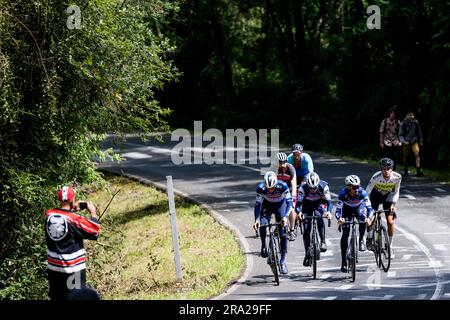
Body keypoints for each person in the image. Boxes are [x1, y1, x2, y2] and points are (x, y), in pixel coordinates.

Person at [45, 186, 100, 300]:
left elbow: (61, 215)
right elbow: (94, 231)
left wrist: (70, 209)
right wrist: (93, 213)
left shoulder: (49, 216)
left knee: (57, 298)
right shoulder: (74, 219)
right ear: (72, 199)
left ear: (59, 199)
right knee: (76, 297)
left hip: (54, 270)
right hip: (73, 271)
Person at [253, 171, 292, 275]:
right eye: (268, 188)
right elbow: (257, 205)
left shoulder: (283, 186)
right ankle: (264, 245)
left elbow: (289, 202)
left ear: (275, 184)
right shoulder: (261, 188)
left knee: (283, 233)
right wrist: (256, 219)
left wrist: (285, 217)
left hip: (280, 206)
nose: (270, 189)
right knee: (263, 223)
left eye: (272, 188)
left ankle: (282, 261)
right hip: (267, 206)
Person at [335, 175, 373, 272]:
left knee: (363, 219)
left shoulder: (362, 192)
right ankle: (343, 261)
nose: (357, 189)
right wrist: (340, 218)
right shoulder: (343, 194)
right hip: (346, 210)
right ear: (348, 187)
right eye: (354, 187)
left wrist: (369, 218)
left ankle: (361, 239)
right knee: (345, 234)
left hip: (358, 208)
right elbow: (338, 210)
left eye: (358, 186)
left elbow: (369, 208)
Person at [365, 158, 401, 258]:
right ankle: (369, 236)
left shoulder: (397, 177)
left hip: (388, 196)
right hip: (375, 196)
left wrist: (393, 204)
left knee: (390, 221)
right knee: (372, 219)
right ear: (381, 169)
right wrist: (367, 207)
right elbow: (367, 191)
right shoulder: (376, 177)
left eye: (388, 168)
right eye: (384, 169)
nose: (386, 171)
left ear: (392, 168)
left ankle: (389, 247)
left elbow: (397, 191)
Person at [295, 172, 333, 267]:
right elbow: (298, 204)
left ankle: (323, 241)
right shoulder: (302, 188)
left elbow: (329, 202)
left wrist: (328, 212)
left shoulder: (323, 186)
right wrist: (299, 213)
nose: (312, 190)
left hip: (319, 204)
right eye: (310, 188)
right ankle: (307, 253)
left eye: (314, 188)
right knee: (306, 229)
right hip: (306, 205)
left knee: (319, 217)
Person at [275, 152, 298, 241]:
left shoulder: (290, 169)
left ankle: (291, 230)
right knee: (276, 207)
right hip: (279, 191)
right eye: (280, 163)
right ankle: (278, 226)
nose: (283, 165)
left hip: (289, 190)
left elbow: (294, 185)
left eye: (284, 162)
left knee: (291, 209)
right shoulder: (274, 170)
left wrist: (293, 198)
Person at [399, 110, 424, 177]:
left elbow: (419, 132)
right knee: (405, 156)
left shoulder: (416, 122)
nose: (410, 116)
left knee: (417, 154)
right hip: (406, 142)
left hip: (414, 141)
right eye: (409, 115)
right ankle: (405, 170)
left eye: (411, 115)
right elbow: (400, 135)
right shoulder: (403, 123)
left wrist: (421, 140)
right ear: (406, 116)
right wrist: (404, 142)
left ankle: (418, 170)